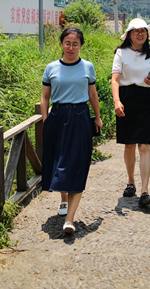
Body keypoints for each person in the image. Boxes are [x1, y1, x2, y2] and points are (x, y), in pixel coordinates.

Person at [40, 27, 102, 234]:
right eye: (67, 43)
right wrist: (46, 119)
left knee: (77, 164)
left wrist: (98, 117)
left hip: (80, 117)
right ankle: (63, 199)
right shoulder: (51, 68)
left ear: (81, 46)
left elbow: (92, 95)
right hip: (57, 116)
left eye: (75, 44)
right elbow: (44, 97)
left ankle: (69, 219)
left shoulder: (87, 67)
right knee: (59, 160)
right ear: (62, 44)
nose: (71, 47)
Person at [111, 18, 150, 207]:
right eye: (136, 31)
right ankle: (130, 182)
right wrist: (117, 101)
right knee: (130, 145)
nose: (140, 34)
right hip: (126, 97)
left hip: (147, 98)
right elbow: (115, 80)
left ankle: (145, 191)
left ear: (147, 34)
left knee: (144, 145)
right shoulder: (121, 53)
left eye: (143, 31)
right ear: (129, 34)